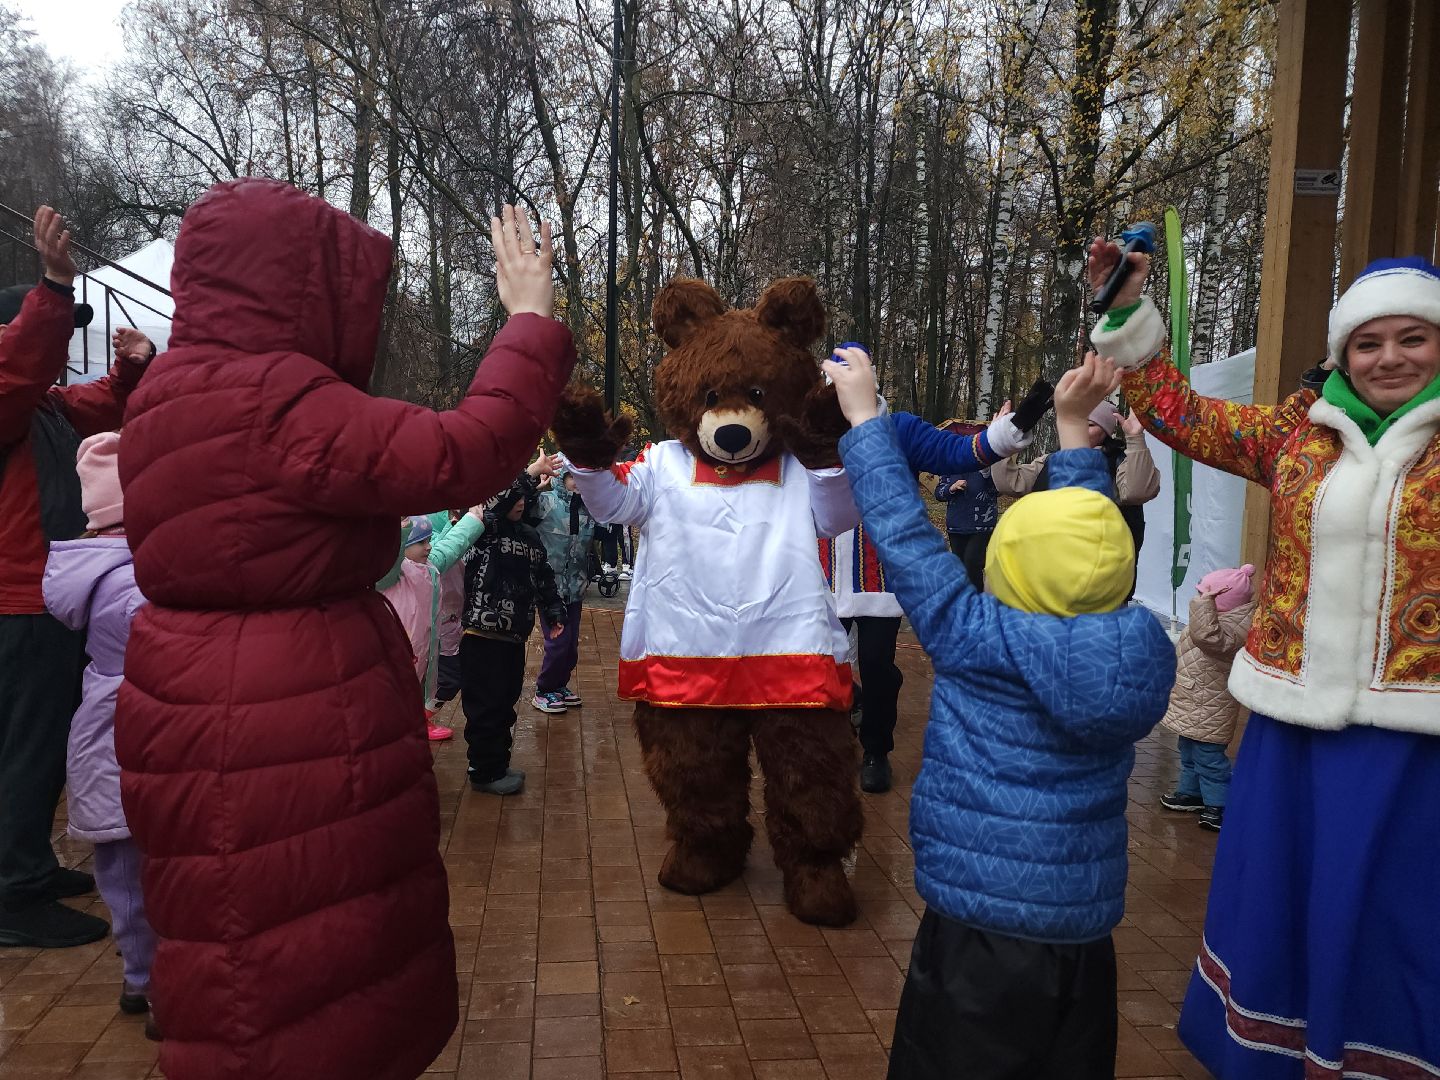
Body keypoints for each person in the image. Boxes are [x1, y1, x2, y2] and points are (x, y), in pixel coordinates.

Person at [113, 183, 577, 1080]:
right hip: (286, 712)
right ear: (302, 289)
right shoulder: (274, 397)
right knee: (314, 964)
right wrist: (526, 321)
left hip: (186, 694)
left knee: (235, 951)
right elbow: (458, 452)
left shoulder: (166, 391)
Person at [1090, 237, 1440, 1078]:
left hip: (1417, 737)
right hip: (1293, 723)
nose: (1388, 356)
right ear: (1341, 353)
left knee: (1399, 914)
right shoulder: (1297, 436)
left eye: (1413, 337)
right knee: (1287, 900)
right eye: (1368, 341)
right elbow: (1182, 415)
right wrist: (1128, 313)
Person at [826, 345, 1176, 1080]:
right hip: (1082, 941)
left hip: (977, 938)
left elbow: (902, 534)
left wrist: (865, 421)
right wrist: (1075, 430)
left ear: (1003, 564)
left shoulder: (974, 636)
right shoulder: (1133, 646)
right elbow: (1084, 544)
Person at [0, 205, 154, 950]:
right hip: (17, 605)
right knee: (24, 748)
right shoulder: (7, 401)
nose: (62, 349)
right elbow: (21, 362)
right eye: (56, 333)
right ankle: (12, 892)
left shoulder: (46, 409)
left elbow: (99, 402)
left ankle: (25, 862)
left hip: (48, 604)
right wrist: (54, 288)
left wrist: (131, 367)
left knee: (44, 743)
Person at [42, 432, 159, 1038]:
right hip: (138, 727)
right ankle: (158, 983)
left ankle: (140, 976)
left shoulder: (92, 571)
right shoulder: (136, 581)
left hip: (100, 729)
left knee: (122, 867)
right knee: (154, 865)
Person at [459, 466, 566, 794]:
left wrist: (554, 611)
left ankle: (498, 765)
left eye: (524, 497)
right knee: (486, 706)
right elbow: (497, 499)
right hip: (482, 636)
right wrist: (531, 472)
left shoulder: (530, 536)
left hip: (513, 637)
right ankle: (483, 771)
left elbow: (544, 576)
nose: (519, 502)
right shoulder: (486, 527)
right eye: (514, 496)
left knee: (505, 703)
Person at [992, 399, 1160, 586]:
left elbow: (1138, 492)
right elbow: (1008, 482)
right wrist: (1002, 438)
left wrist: (1135, 438)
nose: (1080, 430)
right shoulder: (1050, 461)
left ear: (1106, 432)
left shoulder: (1120, 462)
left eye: (1089, 425)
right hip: (1048, 578)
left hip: (1103, 583)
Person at [1158, 564, 1257, 832]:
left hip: (1210, 704)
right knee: (1188, 749)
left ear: (1221, 600)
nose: (1200, 597)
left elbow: (1209, 640)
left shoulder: (1233, 626)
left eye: (1206, 594)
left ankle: (1219, 804)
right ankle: (1190, 793)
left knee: (1209, 757)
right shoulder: (1217, 618)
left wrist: (1203, 606)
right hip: (1196, 699)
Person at [532, 456, 595, 712]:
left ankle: (559, 685)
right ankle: (544, 689)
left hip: (576, 587)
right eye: (572, 477)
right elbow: (520, 509)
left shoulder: (590, 509)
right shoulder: (546, 503)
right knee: (557, 643)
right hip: (550, 589)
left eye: (583, 479)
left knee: (570, 646)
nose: (577, 484)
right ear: (562, 478)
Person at [423, 506, 487, 719]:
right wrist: (457, 526)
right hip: (435, 624)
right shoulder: (426, 524)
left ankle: (422, 718)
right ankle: (420, 718)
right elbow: (435, 555)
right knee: (447, 679)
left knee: (451, 676)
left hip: (456, 617)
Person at [934, 468, 997, 591]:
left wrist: (987, 476)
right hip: (956, 524)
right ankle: (963, 600)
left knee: (972, 563)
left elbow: (1000, 489)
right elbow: (938, 493)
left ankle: (976, 601)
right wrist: (951, 488)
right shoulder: (950, 464)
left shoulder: (989, 463)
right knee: (960, 567)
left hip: (982, 524)